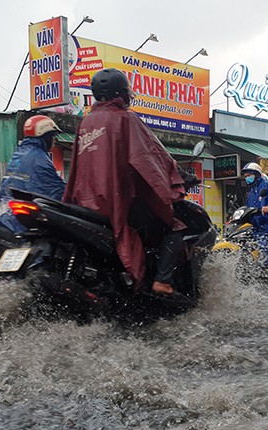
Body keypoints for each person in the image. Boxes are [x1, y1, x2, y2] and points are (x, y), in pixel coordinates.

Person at [62, 68, 193, 297]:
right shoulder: (126, 118)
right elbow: (151, 159)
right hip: (118, 203)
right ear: (122, 92)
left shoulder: (86, 122)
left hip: (86, 204)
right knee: (174, 227)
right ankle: (162, 282)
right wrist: (177, 179)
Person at [0, 115, 64, 233]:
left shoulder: (19, 153)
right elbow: (56, 190)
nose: (54, 140)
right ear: (44, 135)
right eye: (52, 135)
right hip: (22, 223)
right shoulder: (40, 158)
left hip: (3, 217)